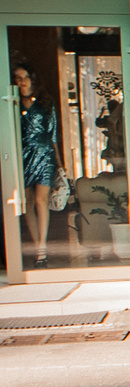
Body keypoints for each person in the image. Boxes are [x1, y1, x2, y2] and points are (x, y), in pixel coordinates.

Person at [13, 65, 62, 267]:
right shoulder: (12, 104)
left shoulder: (46, 103)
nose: (22, 81)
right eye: (18, 78)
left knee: (42, 201)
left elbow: (53, 137)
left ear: (33, 80)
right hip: (22, 157)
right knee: (28, 204)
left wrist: (60, 164)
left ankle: (42, 251)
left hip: (44, 156)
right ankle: (37, 246)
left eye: (26, 77)